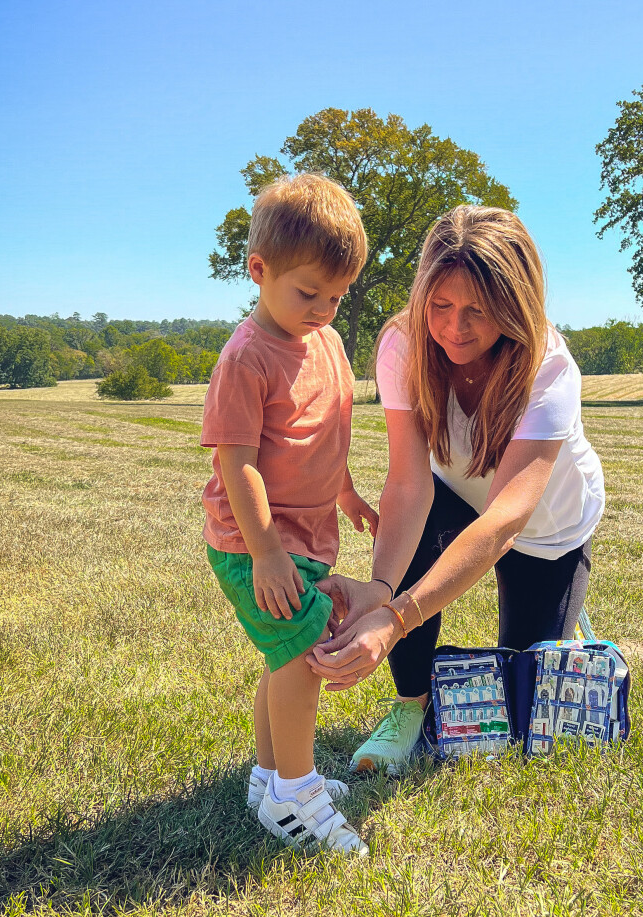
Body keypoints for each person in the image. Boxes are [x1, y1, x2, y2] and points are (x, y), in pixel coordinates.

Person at [307, 205, 605, 773]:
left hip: (544, 527)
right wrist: (380, 588)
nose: (455, 328)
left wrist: (395, 619)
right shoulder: (402, 345)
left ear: (514, 304)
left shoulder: (549, 367)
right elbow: (407, 482)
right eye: (439, 305)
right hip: (453, 495)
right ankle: (410, 706)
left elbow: (504, 521)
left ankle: (565, 618)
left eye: (478, 309)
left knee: (526, 712)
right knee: (414, 538)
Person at [201, 174, 378, 855]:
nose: (325, 309)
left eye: (337, 296)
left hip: (308, 534)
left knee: (284, 657)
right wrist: (267, 552)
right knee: (305, 654)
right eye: (309, 293)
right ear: (259, 270)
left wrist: (347, 492)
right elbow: (238, 463)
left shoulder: (327, 343)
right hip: (255, 542)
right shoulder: (246, 358)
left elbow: (320, 434)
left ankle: (268, 776)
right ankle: (295, 796)